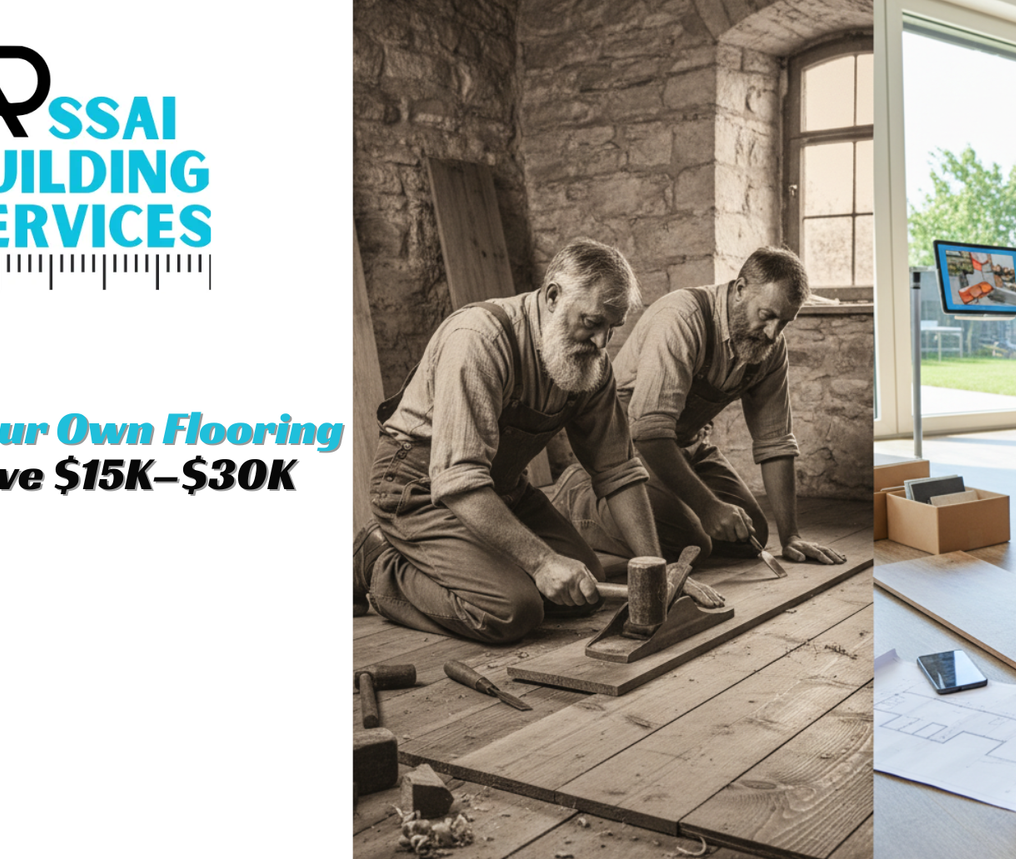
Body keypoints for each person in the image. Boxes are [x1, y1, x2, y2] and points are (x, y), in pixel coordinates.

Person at [353, 238, 724, 644]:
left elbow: (617, 469)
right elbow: (457, 479)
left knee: (584, 590)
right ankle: (377, 560)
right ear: (552, 296)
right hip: (418, 490)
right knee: (513, 609)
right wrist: (542, 562)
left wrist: (655, 567)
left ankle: (473, 563)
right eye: (592, 322)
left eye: (612, 329)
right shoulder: (479, 339)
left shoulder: (589, 362)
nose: (602, 343)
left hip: (500, 489)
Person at [552, 246, 846, 567]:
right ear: (740, 290)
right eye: (767, 316)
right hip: (628, 453)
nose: (773, 332)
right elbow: (648, 432)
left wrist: (790, 536)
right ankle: (577, 497)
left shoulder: (770, 346)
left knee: (752, 535)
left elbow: (775, 441)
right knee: (692, 540)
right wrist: (707, 508)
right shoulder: (681, 319)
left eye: (785, 322)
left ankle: (673, 513)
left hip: (688, 448)